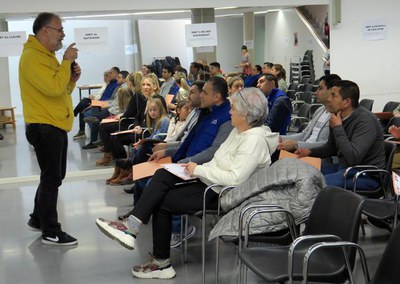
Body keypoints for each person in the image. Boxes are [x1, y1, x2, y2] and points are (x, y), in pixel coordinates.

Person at [95, 87, 279, 279]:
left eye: (233, 108)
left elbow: (235, 179)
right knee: (162, 175)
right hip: (210, 183)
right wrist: (194, 170)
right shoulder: (239, 132)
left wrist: (197, 170)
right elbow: (218, 161)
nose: (230, 111)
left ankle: (160, 261)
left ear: (246, 113)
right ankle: (132, 227)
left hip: (224, 194)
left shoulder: (254, 140)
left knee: (162, 201)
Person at [19, 12, 80, 245]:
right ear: (45, 31)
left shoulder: (45, 56)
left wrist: (71, 79)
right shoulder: (32, 58)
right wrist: (66, 62)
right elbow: (54, 88)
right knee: (52, 178)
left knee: (52, 176)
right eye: (59, 30)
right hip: (44, 127)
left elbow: (61, 92)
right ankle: (51, 231)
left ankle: (37, 218)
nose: (62, 34)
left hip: (53, 124)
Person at [296, 80, 386, 190]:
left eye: (333, 96)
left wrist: (338, 128)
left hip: (365, 175)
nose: (328, 99)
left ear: (346, 102)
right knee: (302, 173)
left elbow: (353, 158)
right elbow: (331, 148)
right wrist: (309, 151)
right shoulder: (337, 116)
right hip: (344, 169)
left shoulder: (366, 121)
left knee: (314, 184)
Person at [107, 98, 170, 185]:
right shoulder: (155, 121)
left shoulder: (164, 120)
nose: (152, 112)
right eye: (150, 110)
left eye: (155, 110)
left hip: (159, 145)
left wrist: (144, 142)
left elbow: (159, 137)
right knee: (135, 148)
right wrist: (143, 141)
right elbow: (153, 136)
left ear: (160, 109)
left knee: (141, 149)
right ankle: (131, 172)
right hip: (154, 142)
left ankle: (129, 166)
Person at [278, 74, 342, 151]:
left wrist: (297, 145)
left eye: (320, 89)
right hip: (303, 151)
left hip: (316, 156)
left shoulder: (338, 116)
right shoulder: (320, 110)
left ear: (332, 90)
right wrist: (280, 138)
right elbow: (305, 134)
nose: (316, 92)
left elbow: (326, 145)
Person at [96, 71, 146, 166]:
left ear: (130, 83)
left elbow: (130, 113)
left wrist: (121, 116)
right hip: (131, 121)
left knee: (103, 127)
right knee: (106, 128)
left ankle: (110, 155)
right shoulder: (138, 95)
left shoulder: (137, 96)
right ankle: (115, 159)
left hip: (128, 123)